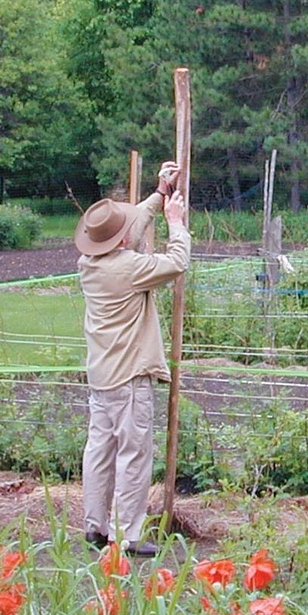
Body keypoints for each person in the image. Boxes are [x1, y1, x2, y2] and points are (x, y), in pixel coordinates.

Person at [73, 162, 190, 556]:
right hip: (130, 379)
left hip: (102, 376)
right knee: (133, 456)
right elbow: (176, 263)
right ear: (121, 242)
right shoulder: (128, 268)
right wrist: (176, 222)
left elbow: (131, 227)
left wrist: (159, 194)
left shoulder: (89, 265)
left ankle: (95, 527)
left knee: (99, 452)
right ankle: (127, 536)